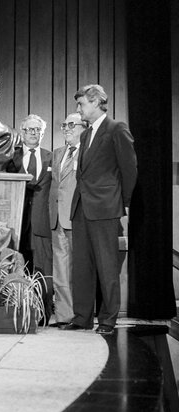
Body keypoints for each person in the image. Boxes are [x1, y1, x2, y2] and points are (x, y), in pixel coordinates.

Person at [61, 84, 137, 335]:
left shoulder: (117, 129)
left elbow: (129, 170)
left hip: (105, 209)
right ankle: (82, 317)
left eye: (81, 104)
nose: (78, 109)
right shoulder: (85, 135)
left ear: (95, 102)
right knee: (81, 266)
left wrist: (122, 203)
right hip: (82, 207)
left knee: (107, 266)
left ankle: (107, 320)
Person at [13, 114, 53, 320]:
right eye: (29, 129)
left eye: (37, 130)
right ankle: (18, 311)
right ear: (22, 132)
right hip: (17, 221)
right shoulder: (12, 158)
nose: (33, 133)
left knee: (43, 269)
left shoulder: (51, 157)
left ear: (42, 133)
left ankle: (44, 313)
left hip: (42, 221)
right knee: (18, 267)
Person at [49, 113, 87, 326]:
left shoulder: (88, 152)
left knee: (79, 270)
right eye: (64, 125)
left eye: (71, 124)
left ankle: (81, 315)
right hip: (57, 220)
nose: (66, 128)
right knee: (60, 271)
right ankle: (64, 316)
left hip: (77, 218)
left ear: (84, 127)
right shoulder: (57, 153)